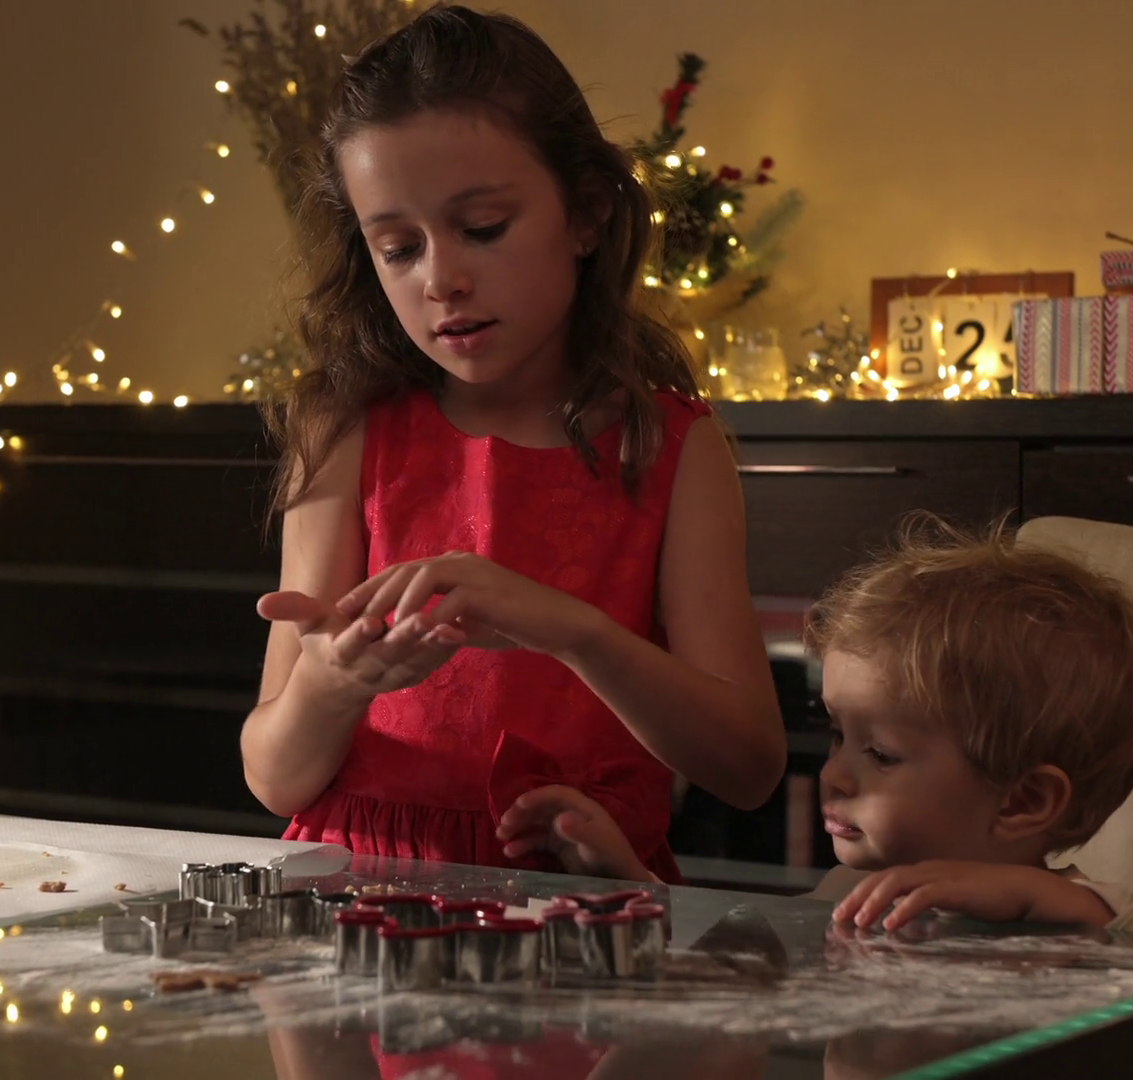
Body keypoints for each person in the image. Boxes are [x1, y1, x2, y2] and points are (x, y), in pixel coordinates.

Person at [240, 3, 784, 885]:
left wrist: (571, 631)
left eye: (484, 228)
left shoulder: (670, 447)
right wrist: (332, 683)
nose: (442, 279)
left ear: (587, 213)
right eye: (398, 248)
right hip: (363, 905)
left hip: (580, 909)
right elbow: (274, 778)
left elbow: (749, 768)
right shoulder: (347, 430)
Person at [503, 516, 1133, 937]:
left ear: (1024, 801)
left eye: (882, 755)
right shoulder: (845, 892)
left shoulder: (1082, 918)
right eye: (839, 735)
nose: (835, 774)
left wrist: (1035, 897)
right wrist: (627, 880)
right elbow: (734, 965)